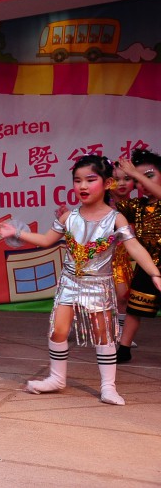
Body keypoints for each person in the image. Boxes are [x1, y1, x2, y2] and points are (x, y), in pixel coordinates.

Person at [0, 155, 161, 404]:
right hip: (69, 283)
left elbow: (135, 247)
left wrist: (154, 273)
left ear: (107, 183)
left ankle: (108, 387)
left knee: (103, 335)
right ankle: (56, 379)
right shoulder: (69, 217)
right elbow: (46, 240)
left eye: (90, 180)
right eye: (77, 181)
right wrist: (17, 232)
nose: (82, 186)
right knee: (58, 330)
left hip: (99, 286)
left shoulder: (115, 218)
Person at [113, 149, 161, 363]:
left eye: (148, 176)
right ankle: (124, 349)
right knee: (134, 309)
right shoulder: (137, 206)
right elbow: (114, 207)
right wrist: (113, 180)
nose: (142, 183)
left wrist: (134, 173)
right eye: (138, 180)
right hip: (147, 265)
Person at [110, 163, 136, 336]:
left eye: (127, 178)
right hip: (99, 260)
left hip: (121, 261)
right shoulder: (102, 207)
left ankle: (121, 334)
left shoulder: (137, 207)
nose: (121, 183)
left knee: (123, 297)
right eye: (116, 179)